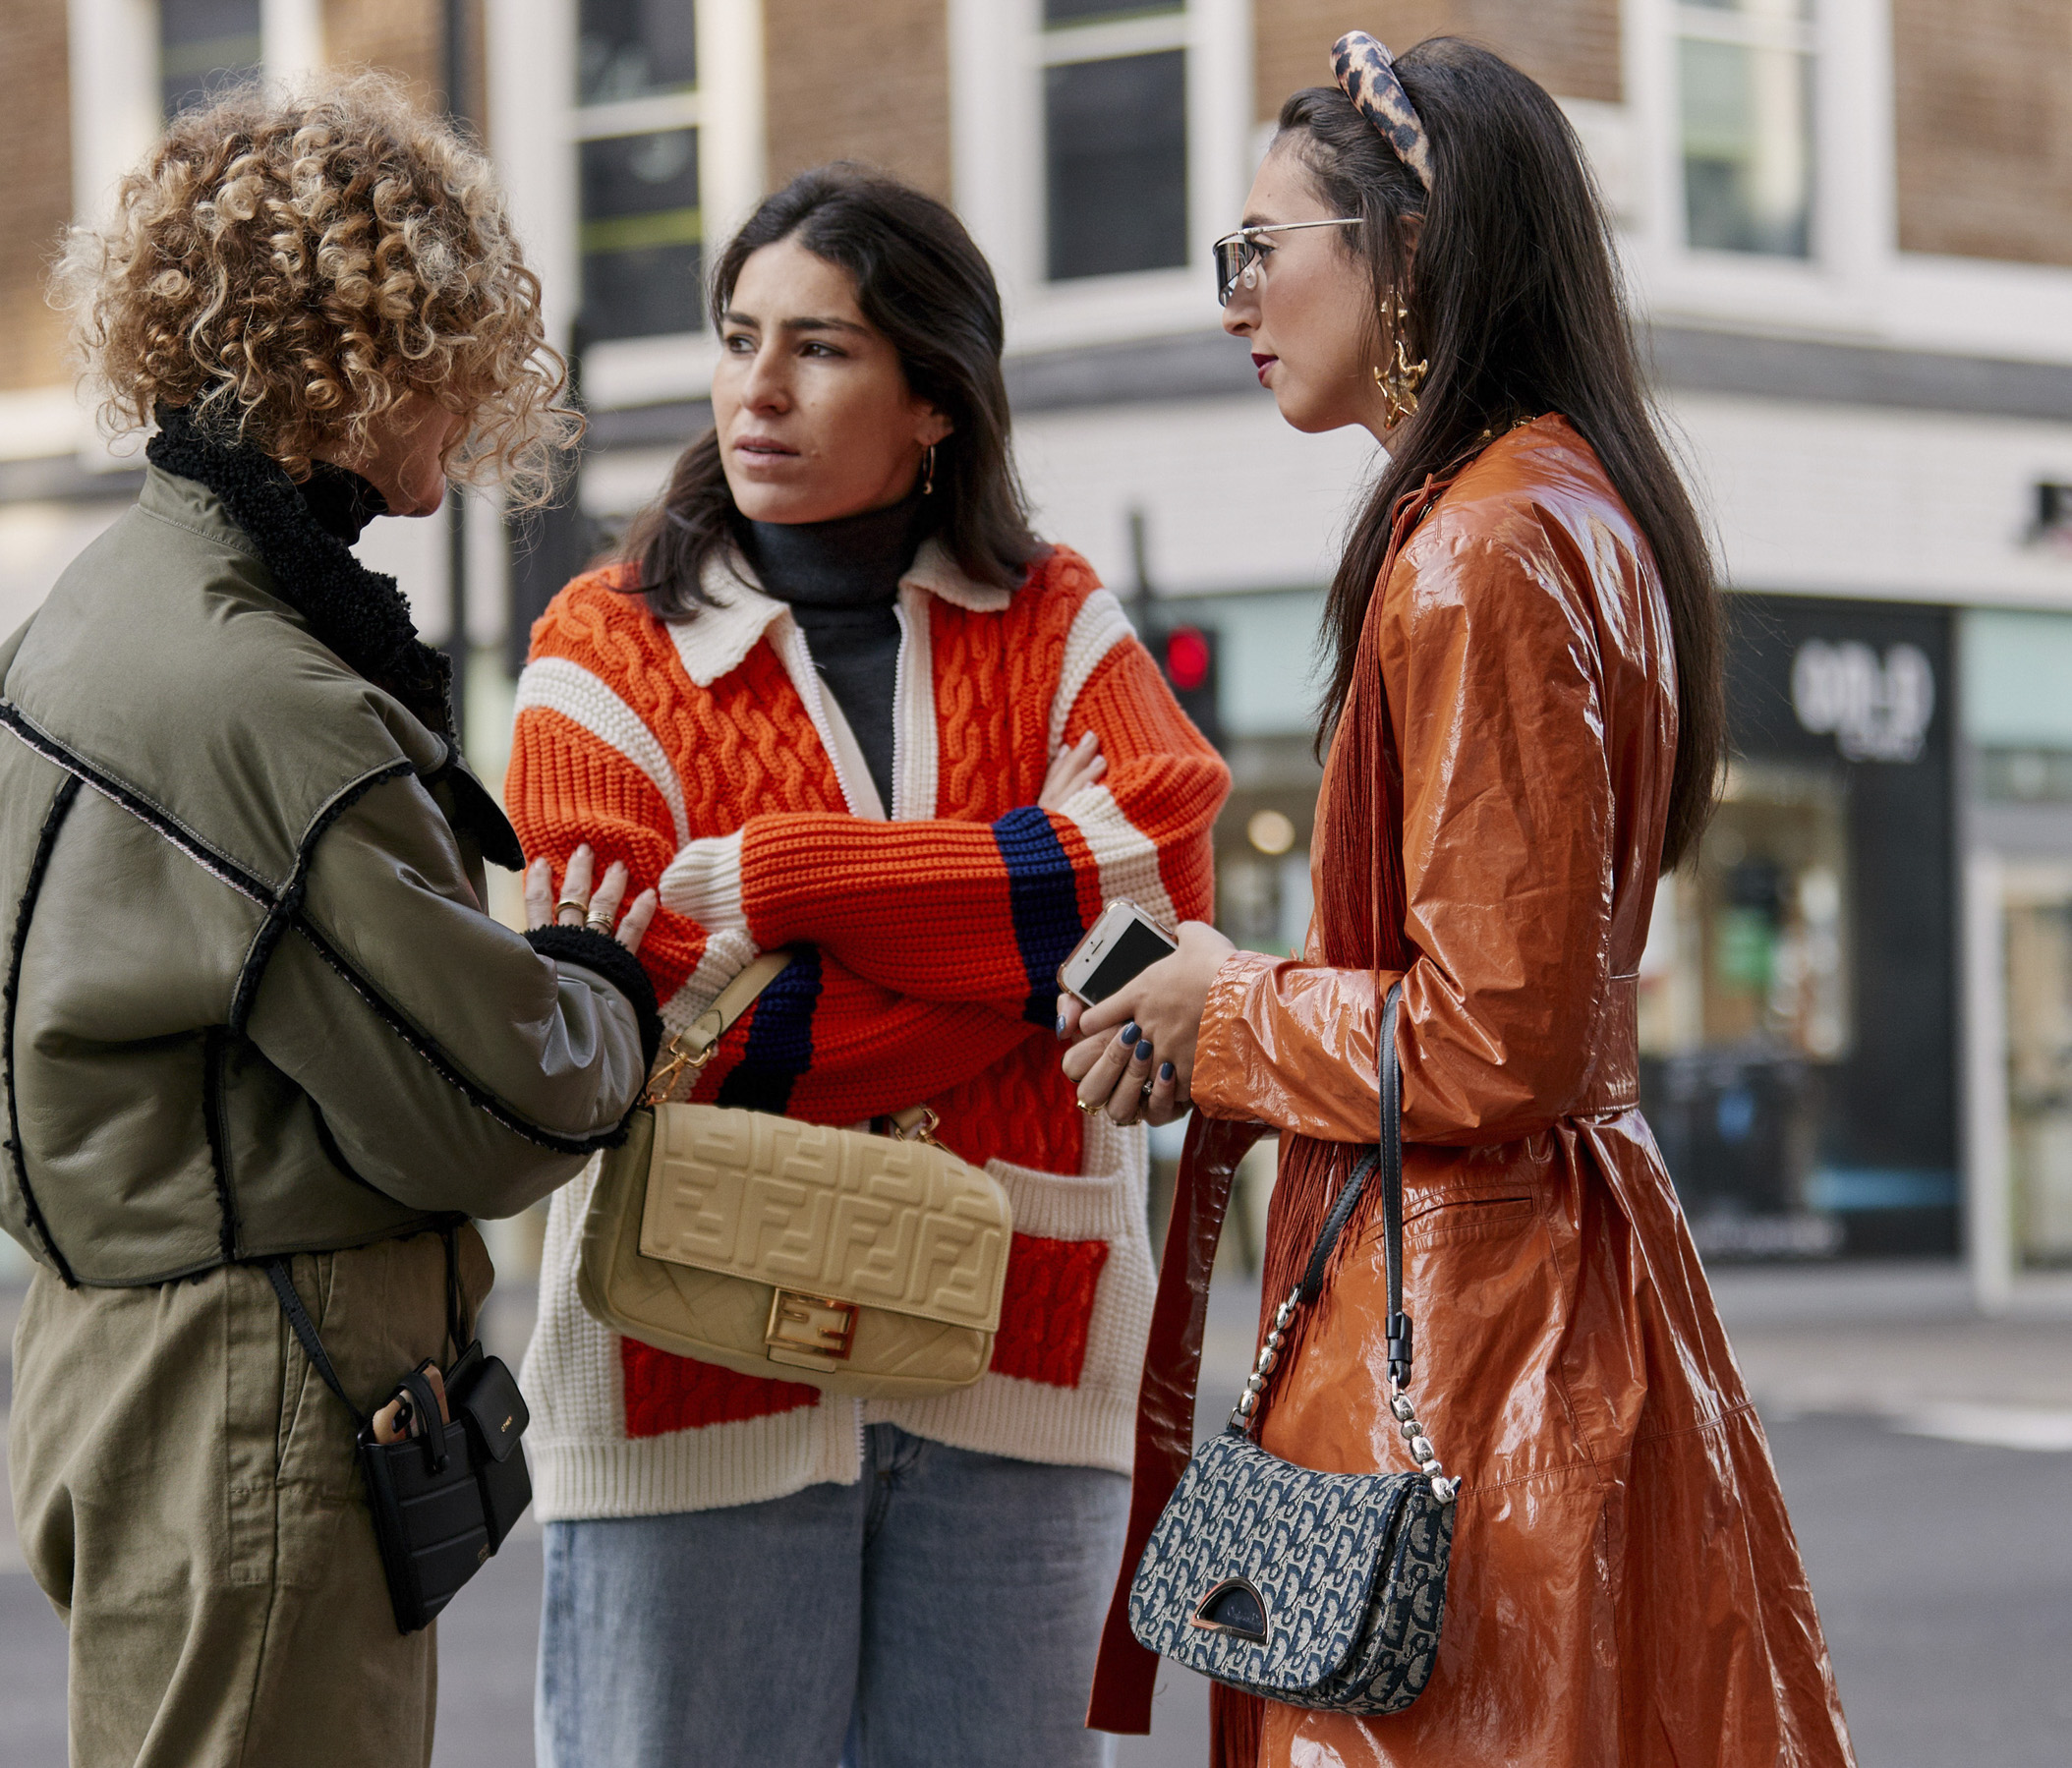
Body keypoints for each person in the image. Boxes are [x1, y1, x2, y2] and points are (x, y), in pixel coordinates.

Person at [1065, 34, 1858, 1767]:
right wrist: (1232, 1018)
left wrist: (1231, 1010)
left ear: (1408, 253)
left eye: (1263, 249)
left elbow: (1497, 1035)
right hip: (1539, 1291)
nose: (1236, 298)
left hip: (1473, 1322)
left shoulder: (1484, 545)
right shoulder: (1560, 508)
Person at [0, 75, 663, 1768]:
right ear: (362, 360)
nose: (473, 412)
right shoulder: (264, 697)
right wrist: (595, 982)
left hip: (124, 1359)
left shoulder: (87, 621)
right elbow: (491, 1101)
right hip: (257, 1394)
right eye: (454, 356)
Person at [506, 164, 1231, 1768]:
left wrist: (778, 878)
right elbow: (650, 1009)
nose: (754, 390)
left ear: (936, 404)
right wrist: (1004, 968)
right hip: (688, 1364)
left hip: (1018, 1364)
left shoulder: (1054, 625)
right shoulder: (604, 645)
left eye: (821, 349)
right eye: (738, 336)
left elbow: (1157, 885)